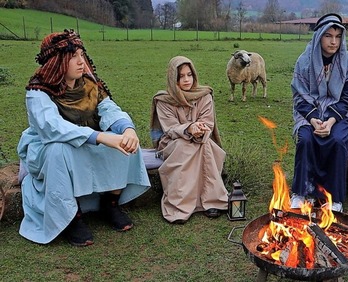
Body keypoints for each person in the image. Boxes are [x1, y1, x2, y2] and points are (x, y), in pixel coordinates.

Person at [17, 30, 150, 246]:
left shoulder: (89, 84)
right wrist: (100, 138)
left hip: (89, 140)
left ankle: (110, 203)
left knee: (124, 142)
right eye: (73, 56)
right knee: (58, 150)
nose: (81, 61)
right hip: (46, 148)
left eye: (82, 54)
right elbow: (52, 128)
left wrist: (127, 130)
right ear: (58, 61)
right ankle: (70, 217)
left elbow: (108, 109)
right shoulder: (38, 91)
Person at [290, 13, 348, 212]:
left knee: (338, 140)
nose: (334, 41)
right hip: (309, 111)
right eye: (328, 36)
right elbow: (299, 95)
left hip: (337, 112)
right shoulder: (304, 61)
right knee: (306, 139)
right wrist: (314, 120)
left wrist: (330, 121)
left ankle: (333, 197)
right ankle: (302, 192)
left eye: (338, 36)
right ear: (319, 36)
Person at [150, 56, 228, 224]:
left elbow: (208, 122)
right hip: (172, 140)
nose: (186, 80)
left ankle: (211, 201)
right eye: (181, 76)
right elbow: (169, 128)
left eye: (189, 75)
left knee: (205, 145)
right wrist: (188, 128)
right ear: (173, 78)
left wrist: (199, 130)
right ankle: (179, 206)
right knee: (183, 146)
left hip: (201, 138)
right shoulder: (164, 100)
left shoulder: (204, 95)